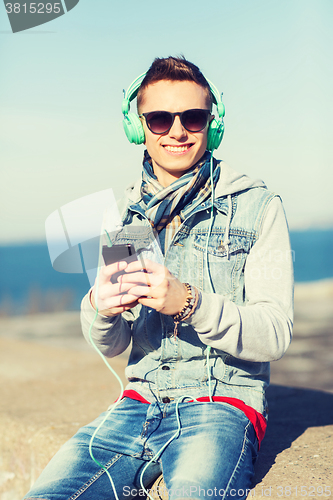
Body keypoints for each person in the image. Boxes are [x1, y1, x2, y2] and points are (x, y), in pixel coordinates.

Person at [23, 56, 293, 500]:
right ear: (138, 127)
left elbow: (277, 334)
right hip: (136, 404)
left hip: (221, 405)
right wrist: (101, 308)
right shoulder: (123, 217)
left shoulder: (257, 206)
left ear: (213, 123)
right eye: (160, 118)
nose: (177, 131)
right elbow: (112, 344)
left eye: (193, 117)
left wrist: (189, 302)